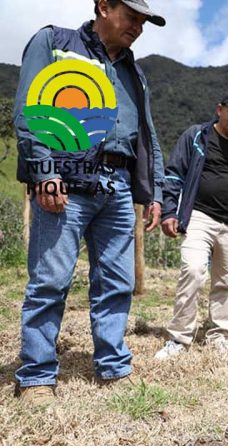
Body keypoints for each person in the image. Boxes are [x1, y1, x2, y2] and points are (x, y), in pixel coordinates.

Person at [13, 0, 166, 406]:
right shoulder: (54, 42)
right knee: (50, 281)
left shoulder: (135, 71)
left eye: (143, 21)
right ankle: (36, 377)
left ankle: (113, 368)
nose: (138, 27)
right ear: (103, 6)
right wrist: (45, 171)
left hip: (117, 184)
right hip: (65, 179)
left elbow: (146, 133)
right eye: (132, 16)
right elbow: (31, 108)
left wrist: (153, 192)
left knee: (118, 283)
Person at [155, 90, 228, 360]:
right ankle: (179, 338)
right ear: (219, 109)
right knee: (193, 270)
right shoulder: (196, 136)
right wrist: (170, 211)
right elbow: (174, 173)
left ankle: (218, 334)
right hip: (199, 217)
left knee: (225, 280)